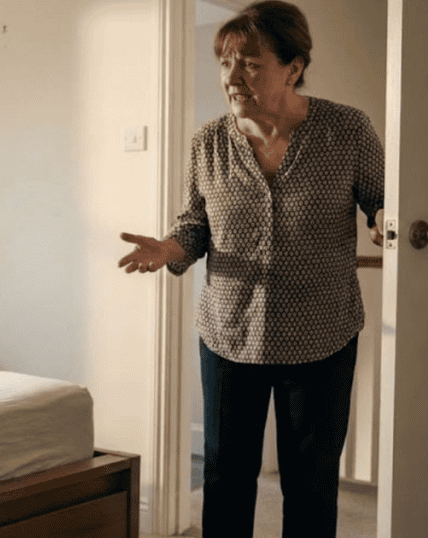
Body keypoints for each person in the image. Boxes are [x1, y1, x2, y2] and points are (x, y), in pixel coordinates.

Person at [118, 2, 383, 537]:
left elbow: (384, 203)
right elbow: (196, 224)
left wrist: (385, 223)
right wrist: (171, 248)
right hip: (229, 334)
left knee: (310, 482)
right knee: (226, 476)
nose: (232, 78)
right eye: (225, 64)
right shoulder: (207, 142)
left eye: (251, 64)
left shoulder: (347, 130)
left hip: (321, 335)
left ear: (294, 66)